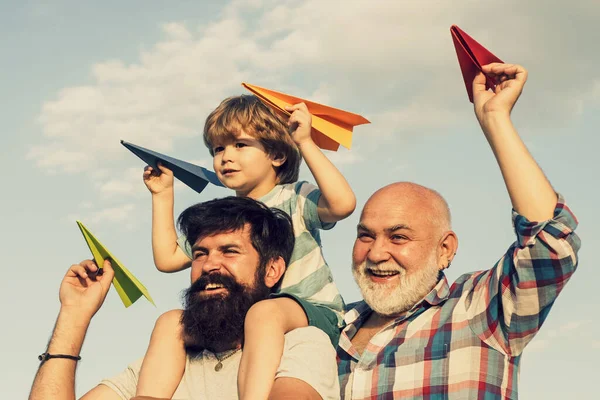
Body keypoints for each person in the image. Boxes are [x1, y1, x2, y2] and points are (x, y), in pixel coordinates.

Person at [337, 63, 581, 399]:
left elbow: (549, 240)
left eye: (399, 237)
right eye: (366, 235)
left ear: (445, 250)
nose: (377, 253)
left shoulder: (479, 309)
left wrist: (495, 118)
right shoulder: (331, 328)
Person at [139, 96, 355, 399]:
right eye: (218, 148)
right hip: (249, 321)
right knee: (170, 322)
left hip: (311, 312)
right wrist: (162, 195)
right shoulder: (223, 218)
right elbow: (167, 258)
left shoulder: (294, 196)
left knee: (264, 313)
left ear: (277, 154)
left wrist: (305, 142)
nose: (226, 156)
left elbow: (343, 204)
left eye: (240, 145)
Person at [29, 197, 340, 400]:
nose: (209, 265)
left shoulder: (301, 346)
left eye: (230, 251)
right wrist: (74, 314)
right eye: (200, 254)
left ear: (272, 270)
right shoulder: (165, 359)